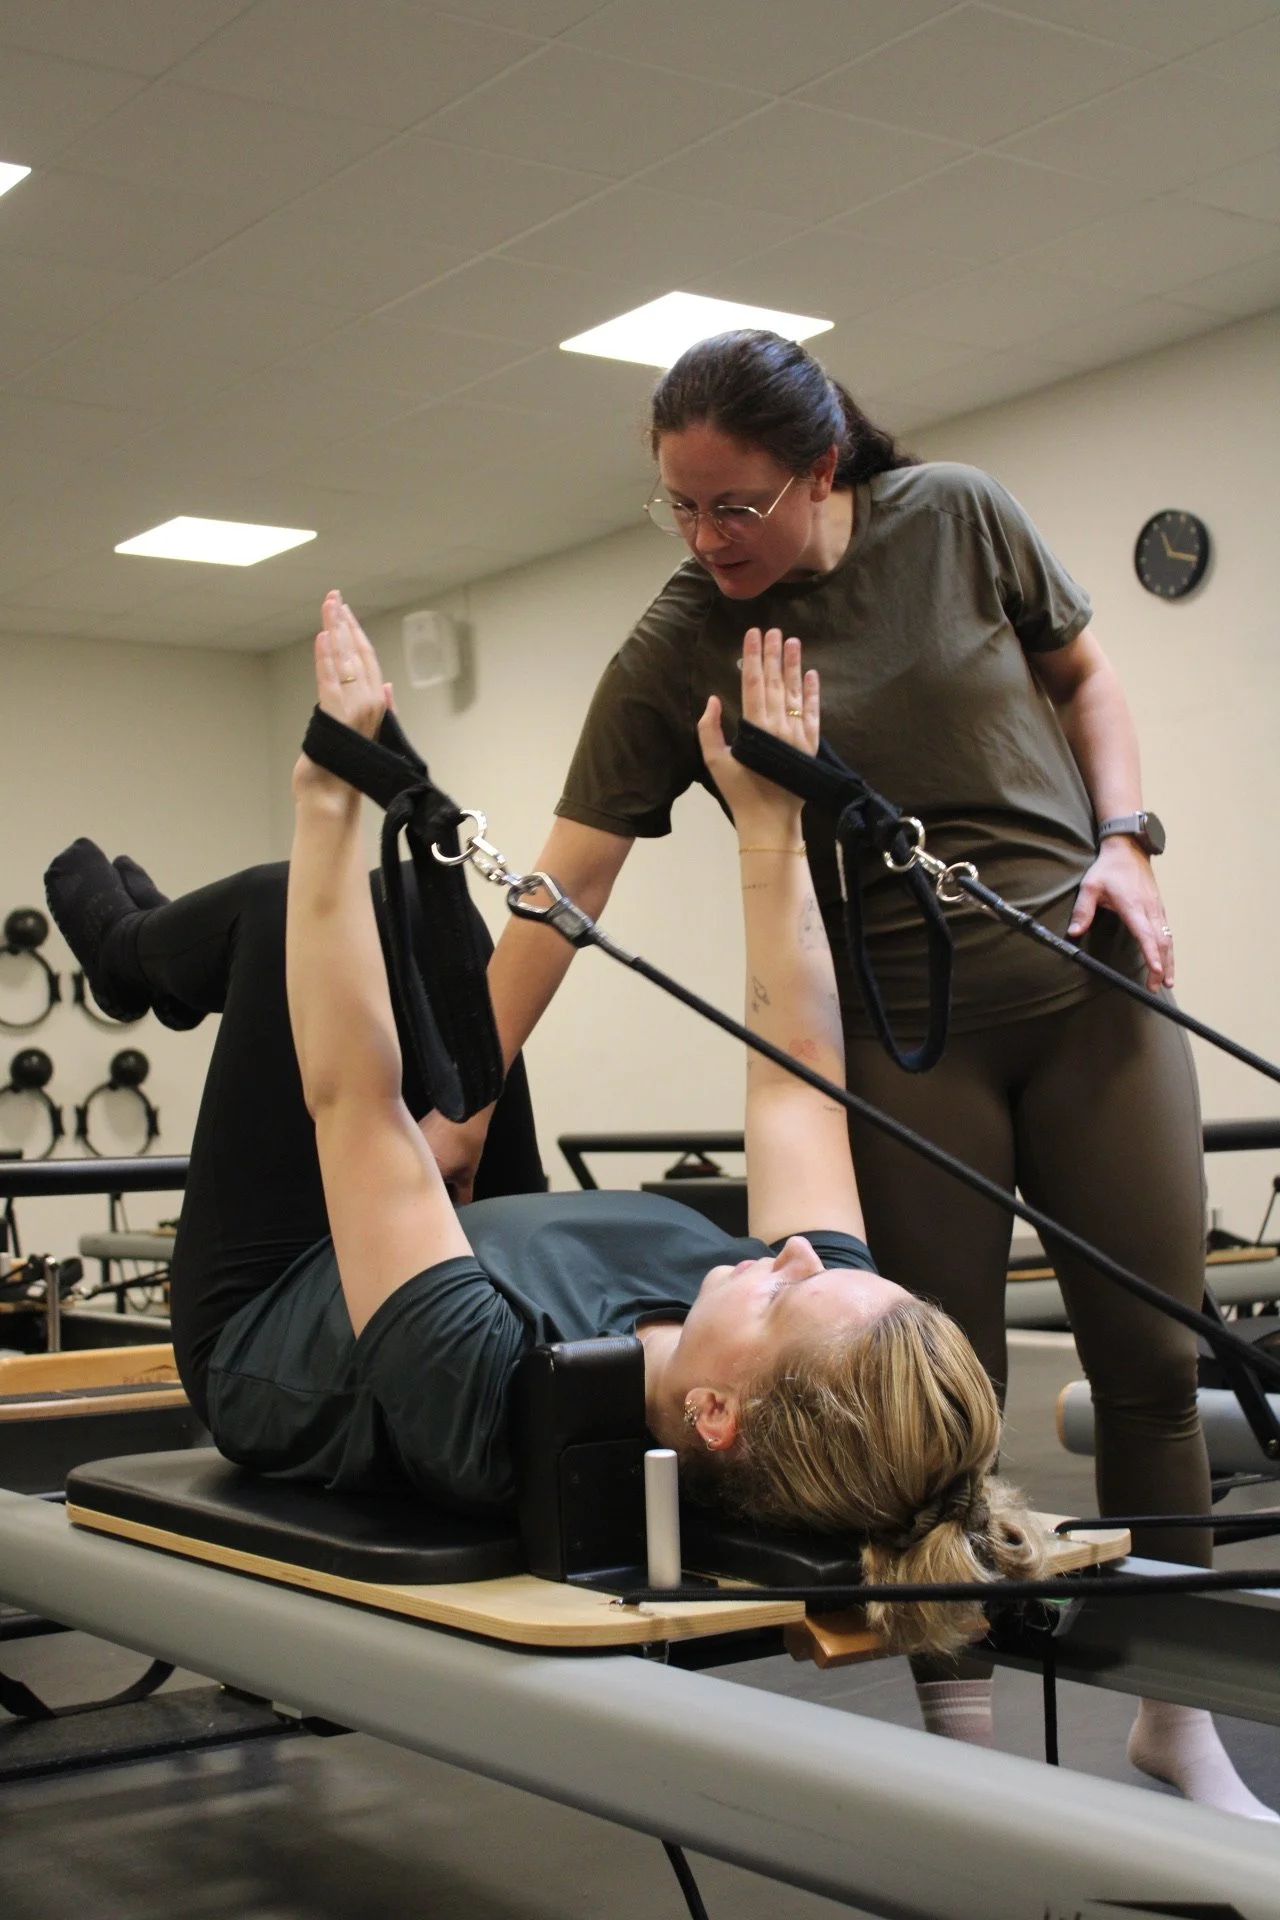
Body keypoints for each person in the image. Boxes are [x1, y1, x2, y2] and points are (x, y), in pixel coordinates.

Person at [421, 331, 1275, 1818]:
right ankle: (961, 1736)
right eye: (680, 507)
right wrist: (465, 1095)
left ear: (821, 471)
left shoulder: (958, 515)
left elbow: (1084, 673)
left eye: (734, 506)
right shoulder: (679, 644)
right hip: (902, 1039)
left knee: (1150, 1368)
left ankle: (1175, 1722)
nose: (705, 540)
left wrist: (1127, 841)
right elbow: (564, 886)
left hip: (1089, 995)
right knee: (929, 1394)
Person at [44, 598, 1044, 1661]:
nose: (798, 1254)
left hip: (279, 1302)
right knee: (432, 913)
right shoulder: (808, 1337)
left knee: (286, 899)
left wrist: (328, 798)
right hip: (490, 1245)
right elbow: (797, 1084)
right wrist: (771, 823)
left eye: (786, 1289)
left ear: (715, 1416)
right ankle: (165, 953)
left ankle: (130, 957)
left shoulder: (492, 1395)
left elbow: (352, 1098)